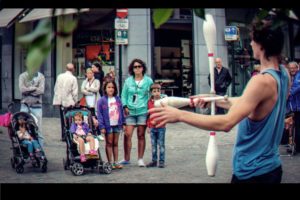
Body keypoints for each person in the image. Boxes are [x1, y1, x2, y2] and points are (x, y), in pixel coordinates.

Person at [149, 19, 289, 183]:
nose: (250, 43)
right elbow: (249, 104)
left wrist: (180, 115)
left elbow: (226, 122)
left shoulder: (261, 81)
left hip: (253, 172)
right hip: (271, 168)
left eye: (252, 39)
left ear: (262, 45)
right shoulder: (284, 75)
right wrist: (214, 100)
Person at [120, 58, 153, 167]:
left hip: (142, 111)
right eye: (135, 67)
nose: (137, 68)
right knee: (127, 134)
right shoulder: (128, 81)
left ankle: (140, 159)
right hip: (129, 111)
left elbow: (151, 96)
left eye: (139, 66)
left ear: (143, 68)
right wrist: (124, 106)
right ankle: (126, 158)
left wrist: (150, 109)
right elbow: (123, 95)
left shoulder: (148, 81)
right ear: (132, 69)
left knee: (141, 135)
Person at [97, 80, 126, 169]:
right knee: (109, 143)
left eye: (112, 87)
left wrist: (124, 123)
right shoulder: (101, 100)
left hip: (117, 124)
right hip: (107, 125)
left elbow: (121, 111)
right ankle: (110, 162)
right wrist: (101, 126)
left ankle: (116, 162)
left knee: (115, 143)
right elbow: (99, 114)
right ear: (105, 89)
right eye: (109, 87)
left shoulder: (117, 99)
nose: (111, 89)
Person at [19, 69, 45, 146]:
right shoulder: (22, 76)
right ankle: (24, 150)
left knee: (38, 130)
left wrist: (28, 90)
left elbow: (41, 91)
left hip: (37, 106)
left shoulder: (41, 77)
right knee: (22, 127)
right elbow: (22, 90)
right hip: (25, 105)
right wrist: (34, 88)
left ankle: (40, 152)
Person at [53, 63, 78, 141]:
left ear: (66, 68)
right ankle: (69, 135)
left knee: (62, 119)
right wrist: (76, 101)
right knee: (70, 119)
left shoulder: (59, 76)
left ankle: (63, 135)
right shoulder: (73, 78)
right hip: (69, 101)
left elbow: (56, 89)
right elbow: (75, 92)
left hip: (61, 101)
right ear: (73, 69)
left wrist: (57, 100)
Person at [146, 83, 167, 168]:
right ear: (151, 93)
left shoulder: (163, 102)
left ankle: (161, 161)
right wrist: (148, 125)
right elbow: (148, 114)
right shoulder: (149, 102)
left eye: (158, 91)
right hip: (152, 127)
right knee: (153, 144)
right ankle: (154, 161)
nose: (157, 93)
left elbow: (165, 113)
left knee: (161, 144)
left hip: (161, 126)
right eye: (154, 91)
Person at [81, 68, 103, 140]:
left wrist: (88, 89)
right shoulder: (84, 81)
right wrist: (90, 92)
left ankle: (98, 133)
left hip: (95, 102)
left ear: (93, 74)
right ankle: (90, 132)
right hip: (87, 102)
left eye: (90, 73)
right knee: (87, 117)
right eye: (88, 73)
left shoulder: (96, 81)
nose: (89, 74)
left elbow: (96, 89)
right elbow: (82, 90)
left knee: (96, 117)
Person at [286, 61, 300, 153]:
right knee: (294, 126)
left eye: (293, 68)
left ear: (297, 68)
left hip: (298, 106)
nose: (292, 69)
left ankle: (298, 147)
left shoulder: (298, 76)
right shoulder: (292, 77)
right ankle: (296, 146)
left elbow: (297, 87)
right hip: (294, 106)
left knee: (298, 126)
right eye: (290, 68)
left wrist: (289, 93)